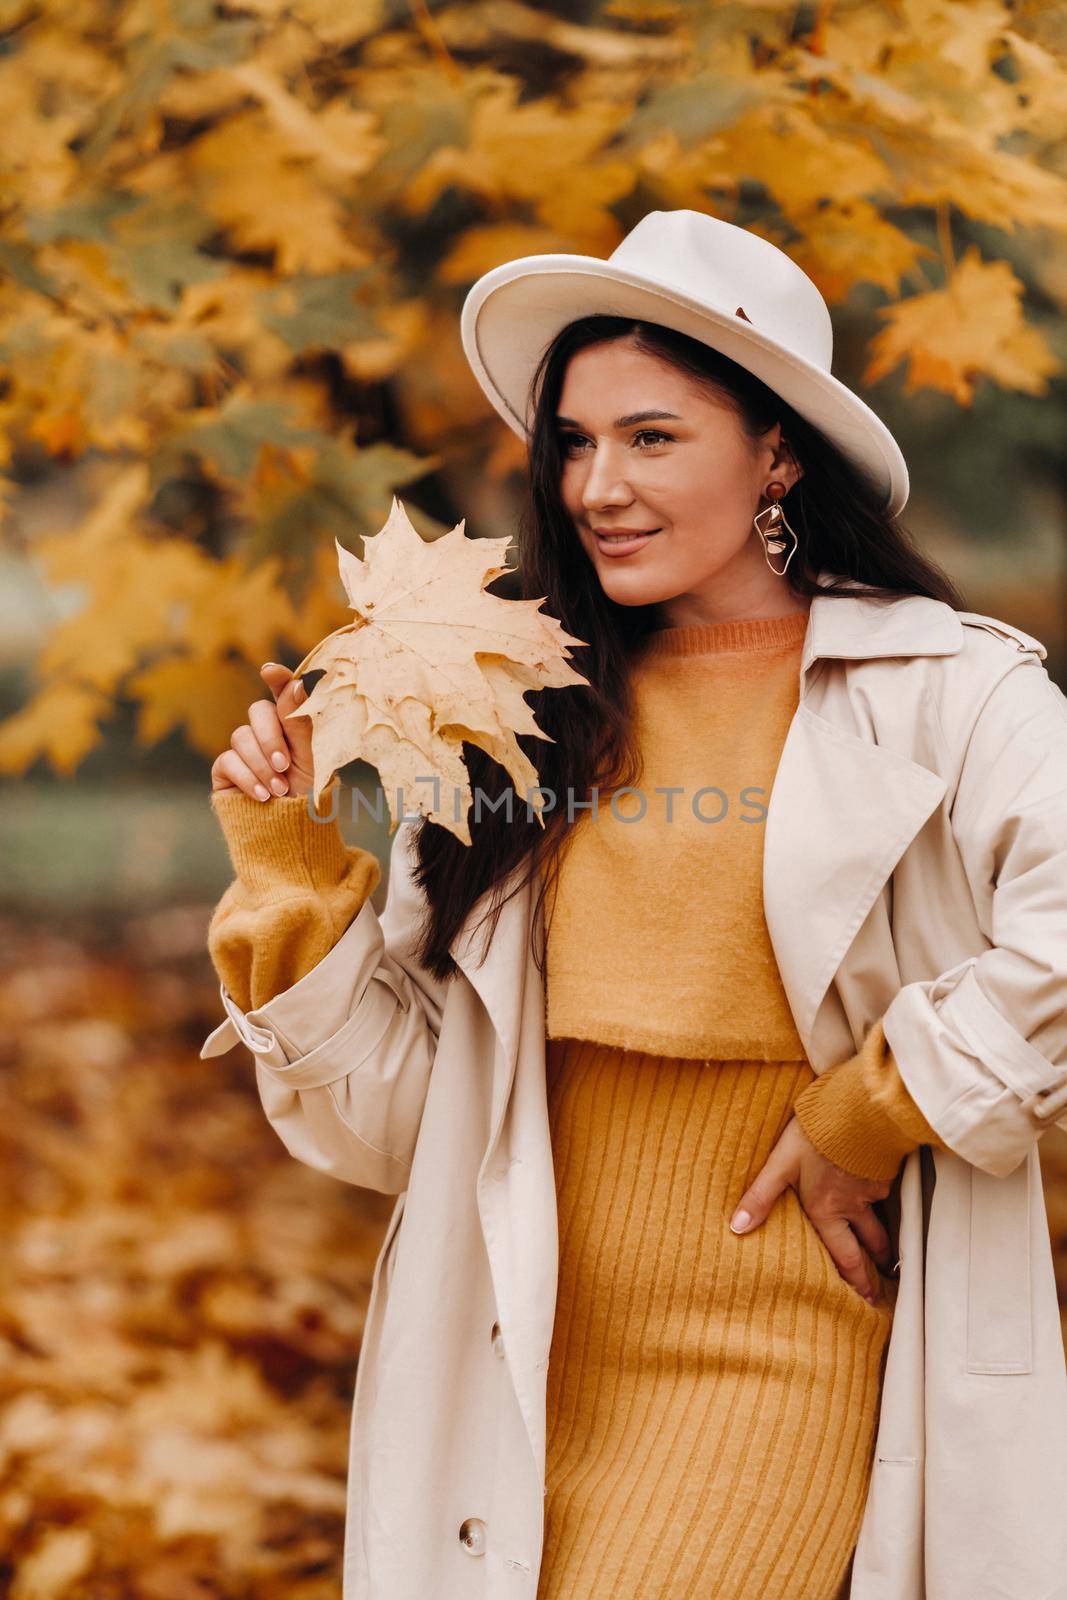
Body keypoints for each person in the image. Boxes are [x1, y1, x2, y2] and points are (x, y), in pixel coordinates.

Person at [201, 211, 1067, 1600]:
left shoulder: (952, 692)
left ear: (778, 451)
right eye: (576, 442)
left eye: (654, 437)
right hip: (513, 1363)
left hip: (784, 1349)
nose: (599, 484)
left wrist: (877, 1104)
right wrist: (292, 878)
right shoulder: (511, 719)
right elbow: (409, 1134)